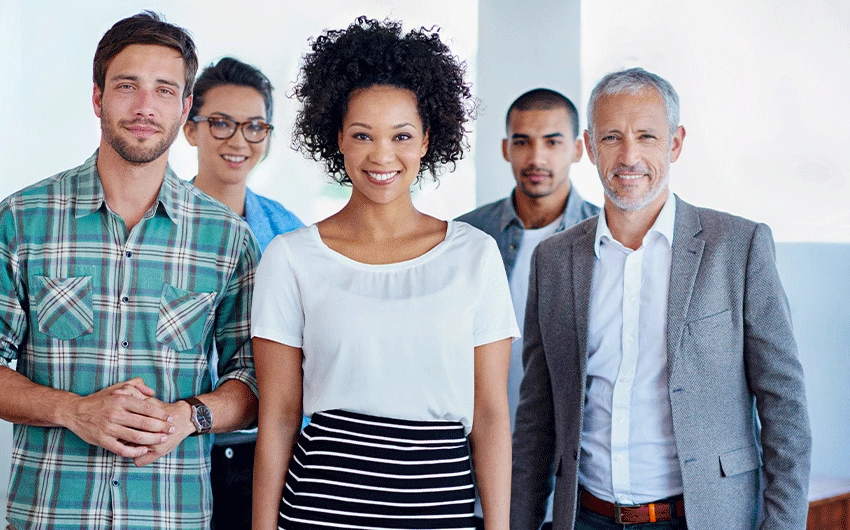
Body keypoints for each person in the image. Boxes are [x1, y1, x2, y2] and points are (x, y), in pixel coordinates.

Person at [0, 12, 259, 530]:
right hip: (49, 516)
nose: (143, 107)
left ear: (183, 111)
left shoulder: (227, 238)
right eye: (126, 86)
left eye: (163, 91)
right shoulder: (23, 218)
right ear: (98, 97)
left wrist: (188, 417)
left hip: (172, 517)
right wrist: (73, 411)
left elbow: (253, 380)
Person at [511, 67, 811, 530]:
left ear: (674, 143)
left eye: (646, 136)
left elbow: (784, 408)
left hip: (702, 517)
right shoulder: (553, 260)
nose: (628, 156)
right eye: (611, 138)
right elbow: (536, 417)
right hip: (587, 517)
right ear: (590, 148)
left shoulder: (738, 245)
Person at [251, 17, 519, 530]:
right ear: (339, 141)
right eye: (362, 135)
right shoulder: (291, 258)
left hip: (442, 511)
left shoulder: (474, 255)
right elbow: (280, 416)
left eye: (401, 135)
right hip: (323, 511)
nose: (381, 155)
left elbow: (489, 415)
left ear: (425, 141)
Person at [457, 90, 598, 528]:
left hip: (570, 483)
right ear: (505, 148)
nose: (536, 156)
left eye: (553, 141)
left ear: (578, 149)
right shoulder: (465, 237)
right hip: (470, 475)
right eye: (522, 141)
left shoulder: (605, 240)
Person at [183, 56, 303, 529]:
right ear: (190, 129)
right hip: (183, 451)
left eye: (254, 127)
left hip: (270, 454)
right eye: (220, 124)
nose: (238, 141)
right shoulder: (156, 227)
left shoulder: (291, 235)